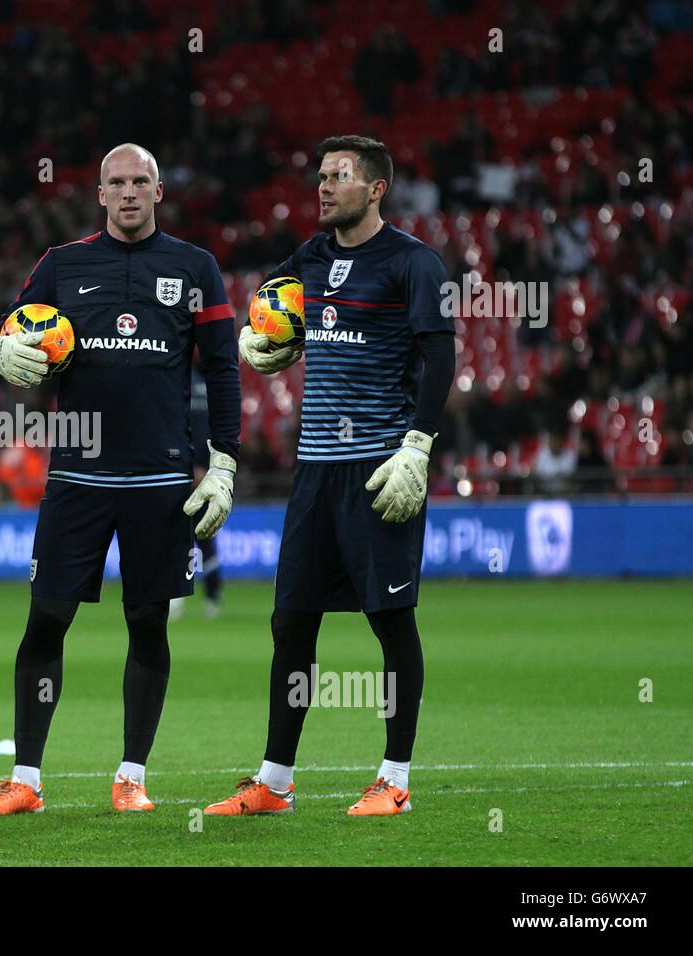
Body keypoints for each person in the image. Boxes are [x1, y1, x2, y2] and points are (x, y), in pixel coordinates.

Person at [0, 143, 241, 815]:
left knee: (148, 624)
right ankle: (24, 781)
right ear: (99, 194)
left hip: (160, 480)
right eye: (115, 183)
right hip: (78, 477)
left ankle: (131, 775)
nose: (127, 193)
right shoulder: (62, 265)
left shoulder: (195, 267)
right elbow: (12, 333)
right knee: (45, 621)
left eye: (139, 182)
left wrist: (225, 461)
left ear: (157, 191)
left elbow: (224, 368)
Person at [216, 135, 454, 817]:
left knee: (391, 621)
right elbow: (274, 305)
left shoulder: (413, 263)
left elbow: (441, 359)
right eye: (319, 175)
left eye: (338, 177)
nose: (323, 187)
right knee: (290, 622)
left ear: (375, 189)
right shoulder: (311, 258)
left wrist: (417, 447)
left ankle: (396, 779)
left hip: (381, 468)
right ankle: (275, 783)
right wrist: (260, 339)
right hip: (315, 472)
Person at [170, 366, 224, 621]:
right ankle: (211, 597)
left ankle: (179, 597)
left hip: (181, 473)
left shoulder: (177, 384)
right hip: (201, 473)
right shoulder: (206, 386)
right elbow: (215, 430)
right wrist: (207, 465)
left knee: (182, 539)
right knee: (204, 538)